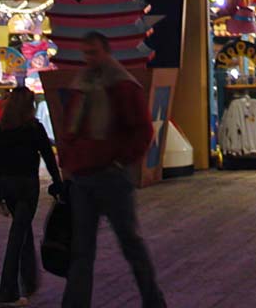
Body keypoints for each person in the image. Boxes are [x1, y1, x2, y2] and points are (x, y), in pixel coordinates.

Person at [60, 32, 164, 308]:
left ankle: (153, 301)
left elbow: (142, 129)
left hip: (109, 174)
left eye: (93, 52)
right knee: (84, 249)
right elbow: (70, 127)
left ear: (106, 51)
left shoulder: (121, 86)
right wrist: (68, 162)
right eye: (86, 53)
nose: (89, 58)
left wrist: (119, 162)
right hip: (86, 174)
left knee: (128, 243)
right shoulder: (84, 85)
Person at [0, 86, 63, 307]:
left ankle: (29, 278)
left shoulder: (2, 128)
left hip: (7, 184)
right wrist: (58, 184)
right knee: (18, 235)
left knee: (22, 229)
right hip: (27, 186)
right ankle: (8, 290)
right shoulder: (34, 128)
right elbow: (49, 158)